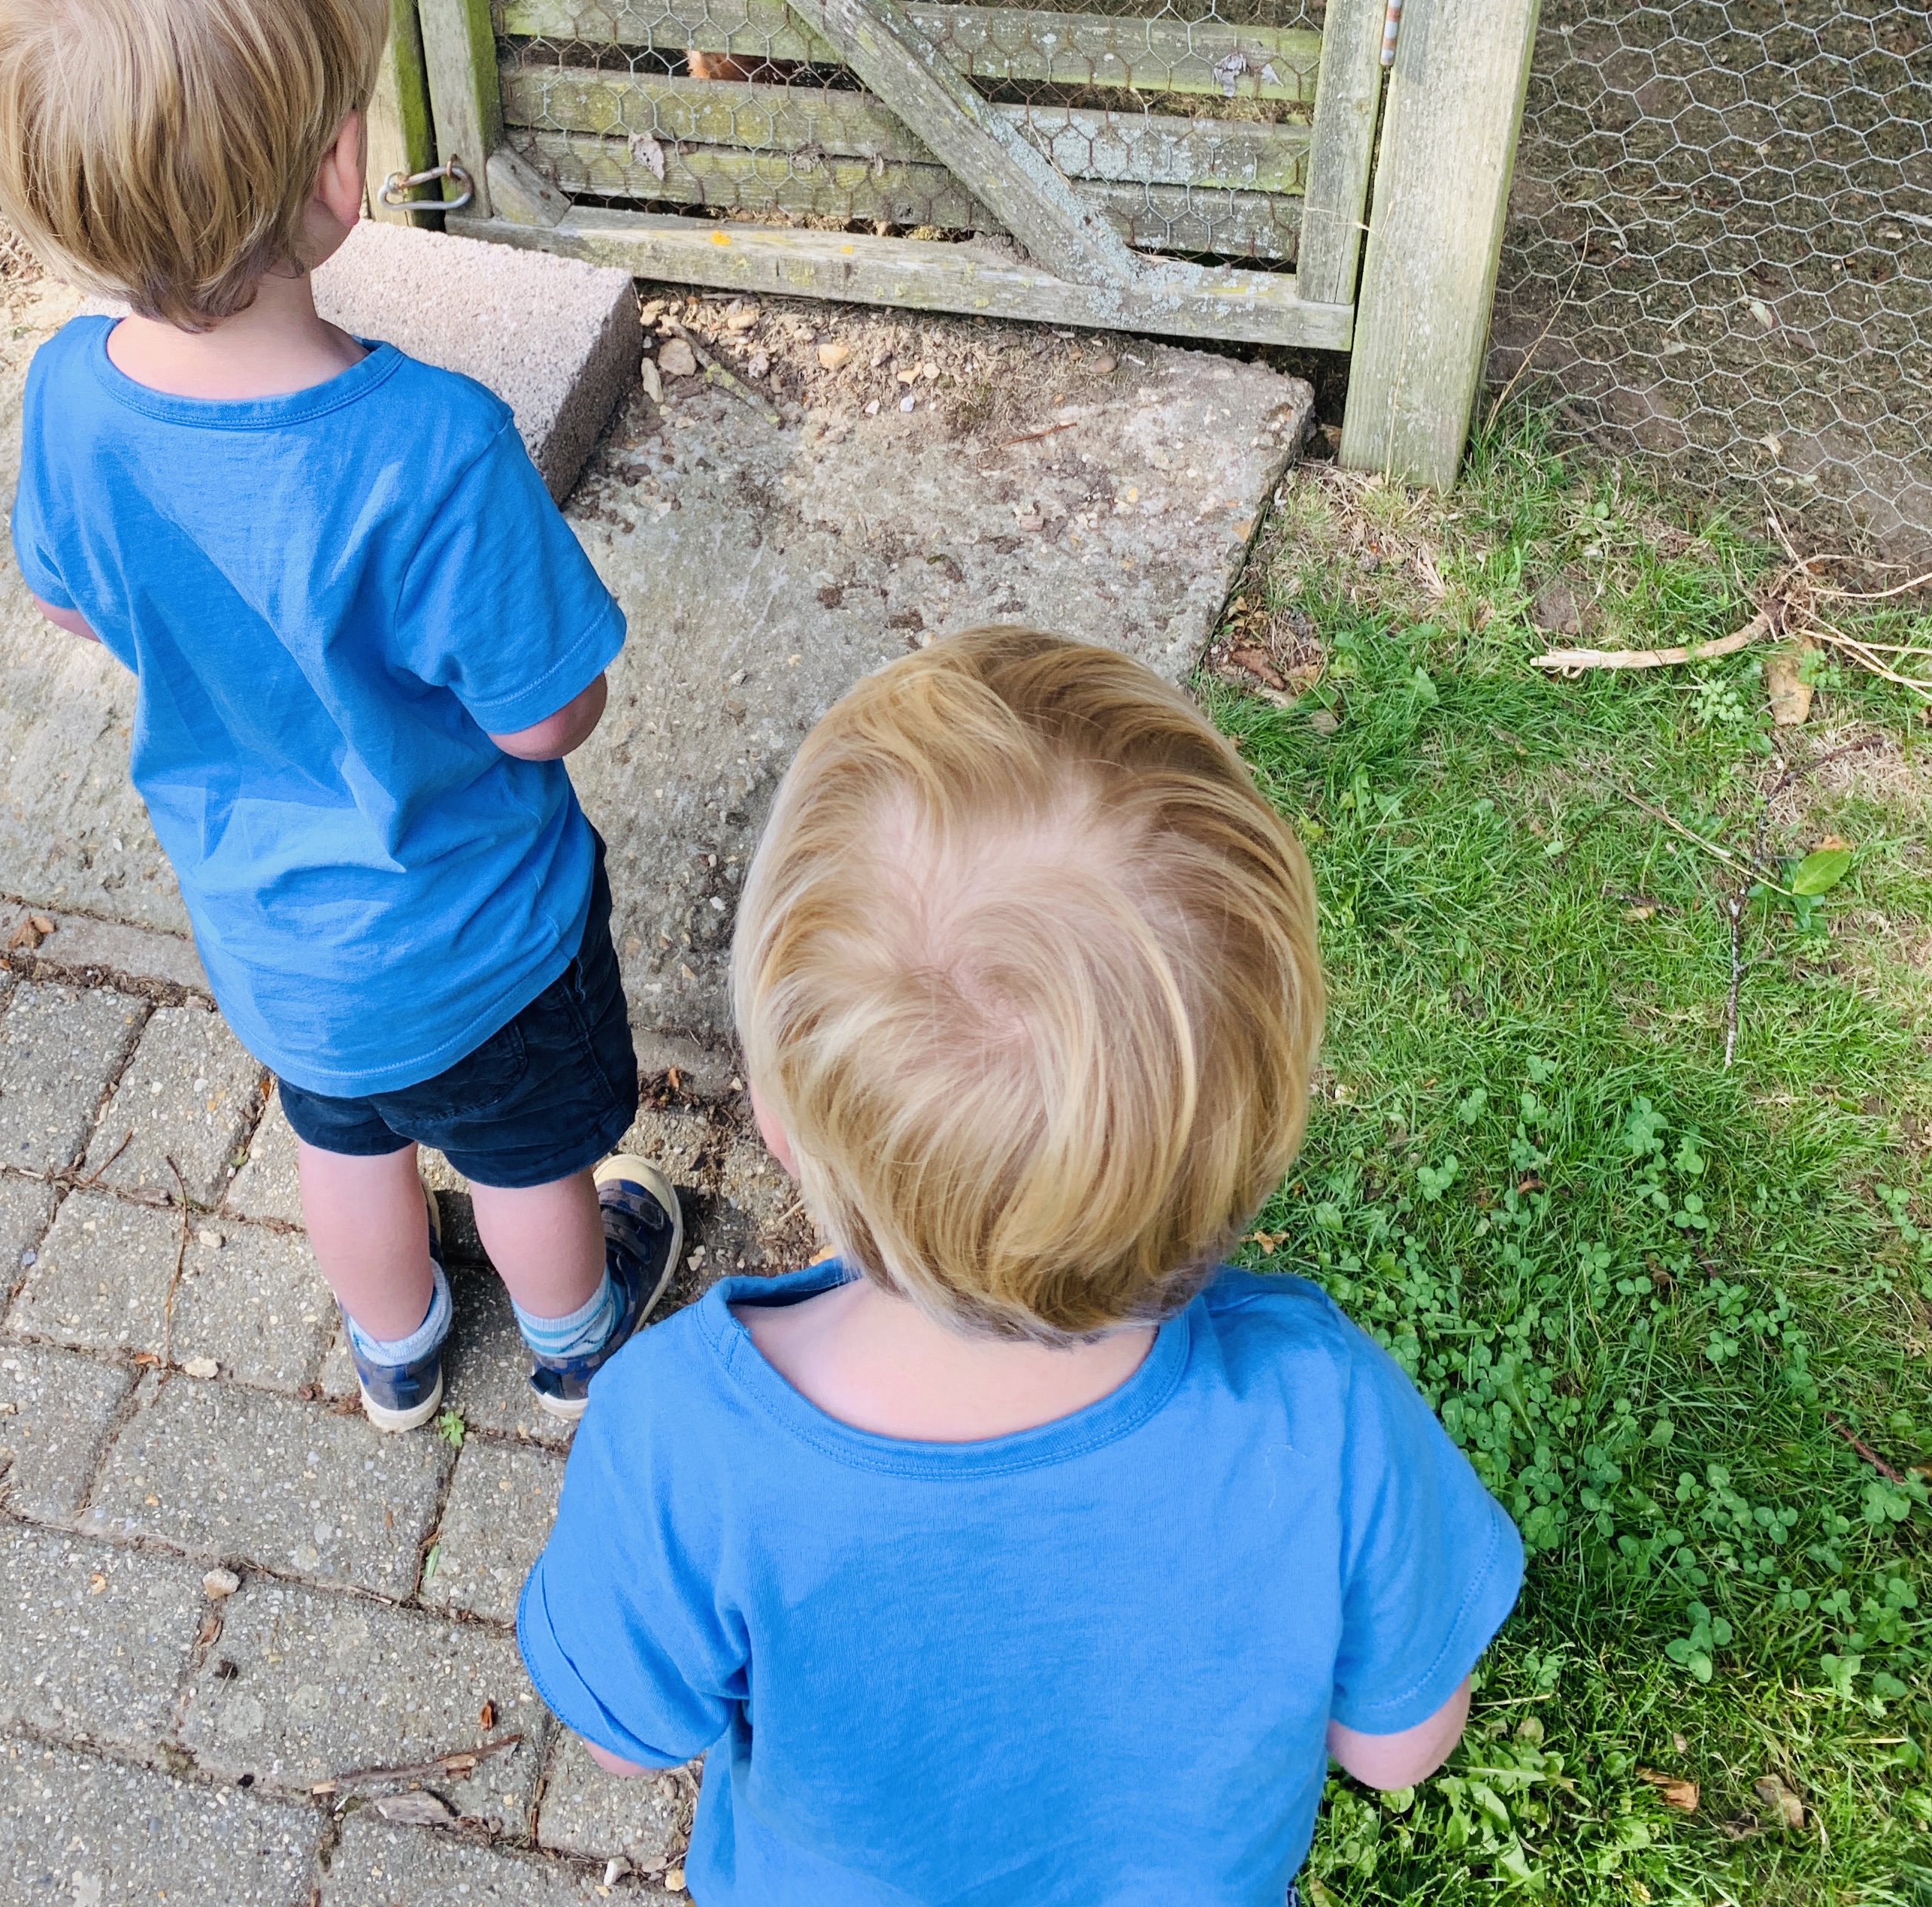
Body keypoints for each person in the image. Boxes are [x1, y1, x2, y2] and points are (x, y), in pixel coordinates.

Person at [518, 628, 1524, 1902]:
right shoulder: (1316, 1411)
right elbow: (1398, 1748)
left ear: (780, 1113)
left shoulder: (684, 1438)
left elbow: (620, 1736)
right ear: (1255, 1134)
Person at [0, 0, 680, 1431]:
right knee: (526, 1157)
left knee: (341, 1137)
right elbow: (549, 718)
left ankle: (398, 1349)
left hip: (270, 937)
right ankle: (575, 1338)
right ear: (338, 173)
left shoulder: (71, 398)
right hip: (479, 940)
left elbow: (72, 597)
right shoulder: (431, 444)